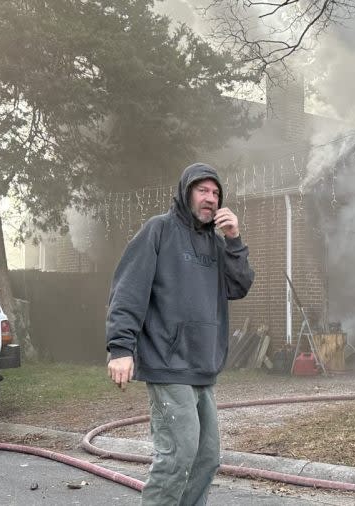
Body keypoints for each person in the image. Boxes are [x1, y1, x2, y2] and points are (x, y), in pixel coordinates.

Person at [106, 163, 254, 505]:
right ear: (186, 192)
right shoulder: (158, 230)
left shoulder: (217, 245)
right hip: (166, 360)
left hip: (203, 365)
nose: (211, 199)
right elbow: (128, 290)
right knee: (178, 456)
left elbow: (239, 285)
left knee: (206, 458)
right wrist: (120, 348)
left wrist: (234, 240)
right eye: (203, 190)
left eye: (216, 193)